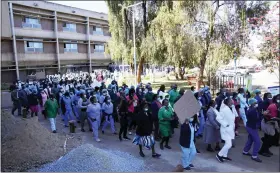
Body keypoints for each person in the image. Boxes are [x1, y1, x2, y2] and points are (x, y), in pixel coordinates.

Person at [216, 98, 235, 162]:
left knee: (228, 143)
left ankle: (224, 156)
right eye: (231, 101)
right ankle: (219, 155)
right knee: (229, 144)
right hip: (225, 129)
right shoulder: (223, 110)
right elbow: (218, 118)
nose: (232, 102)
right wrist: (225, 124)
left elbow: (234, 117)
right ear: (227, 102)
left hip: (229, 129)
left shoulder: (230, 108)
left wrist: (233, 108)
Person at [242, 98, 262, 162]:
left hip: (250, 126)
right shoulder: (252, 110)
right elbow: (256, 119)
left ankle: (245, 151)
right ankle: (254, 156)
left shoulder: (251, 109)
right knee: (257, 141)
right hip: (252, 127)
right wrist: (263, 115)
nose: (256, 103)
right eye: (255, 102)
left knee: (250, 139)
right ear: (252, 103)